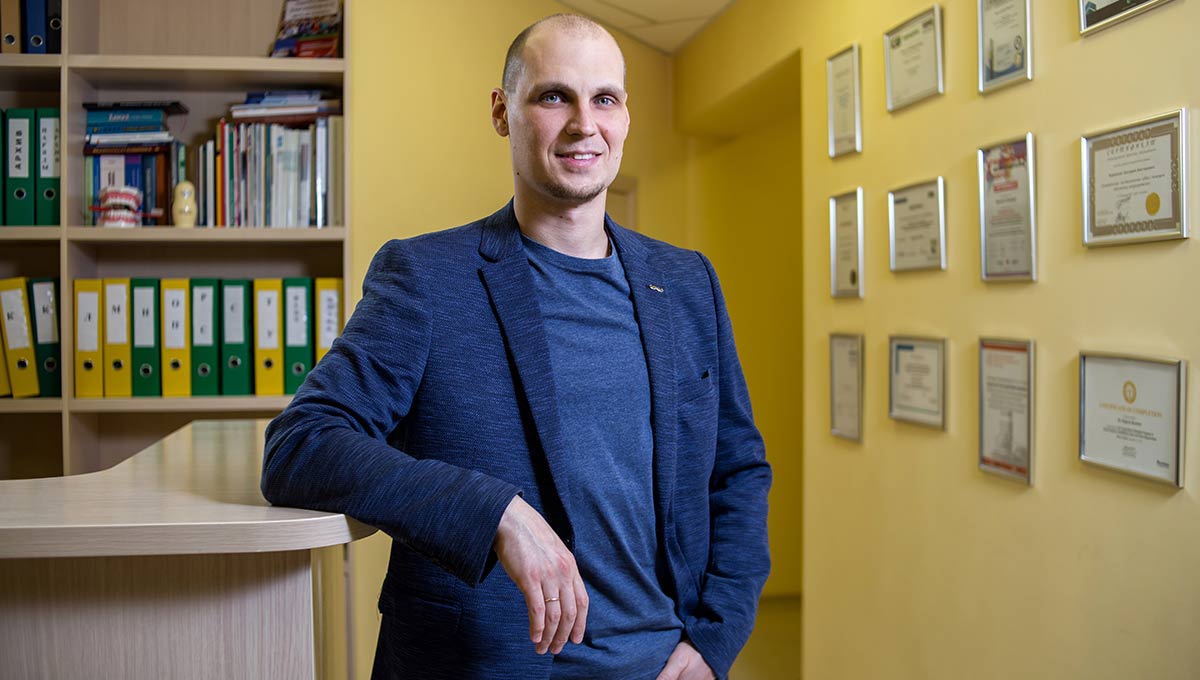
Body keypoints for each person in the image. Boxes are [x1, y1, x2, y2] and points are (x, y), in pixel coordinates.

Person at [261, 13, 771, 680]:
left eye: (605, 99)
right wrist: (494, 513)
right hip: (482, 665)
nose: (584, 124)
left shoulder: (686, 282)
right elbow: (301, 444)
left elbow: (738, 471)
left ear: (625, 117)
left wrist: (713, 641)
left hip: (660, 665)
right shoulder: (427, 278)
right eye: (554, 96)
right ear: (503, 113)